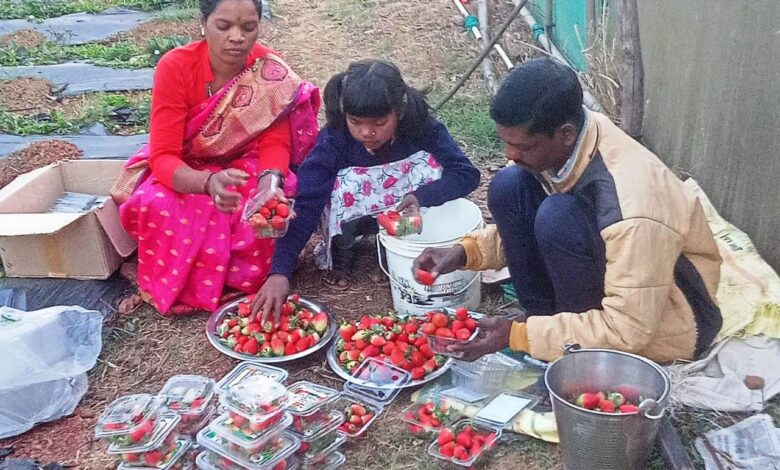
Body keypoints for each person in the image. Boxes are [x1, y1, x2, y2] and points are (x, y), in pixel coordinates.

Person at [414, 58, 723, 363]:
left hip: (674, 321)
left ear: (565, 134)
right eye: (506, 143)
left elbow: (629, 330)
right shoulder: (571, 141)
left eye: (523, 146)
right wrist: (464, 252)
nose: (510, 153)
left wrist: (518, 336)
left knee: (557, 217)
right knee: (511, 185)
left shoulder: (632, 207)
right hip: (619, 282)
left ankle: (570, 353)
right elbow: (523, 225)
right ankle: (545, 320)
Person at [113, 0, 320, 315]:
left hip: (246, 162)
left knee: (268, 206)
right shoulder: (176, 67)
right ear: (204, 23)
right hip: (188, 167)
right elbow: (164, 156)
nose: (236, 37)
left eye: (248, 28)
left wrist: (270, 182)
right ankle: (197, 282)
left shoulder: (269, 68)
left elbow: (274, 140)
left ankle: (233, 278)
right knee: (158, 205)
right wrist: (207, 183)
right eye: (224, 26)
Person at [252, 60, 480, 320]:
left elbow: (466, 175)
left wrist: (420, 196)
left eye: (380, 122)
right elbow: (308, 202)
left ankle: (391, 252)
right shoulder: (335, 140)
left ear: (400, 112)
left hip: (404, 214)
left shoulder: (423, 129)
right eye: (355, 121)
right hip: (352, 217)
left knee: (428, 166)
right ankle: (341, 252)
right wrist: (279, 270)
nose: (367, 132)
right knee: (342, 183)